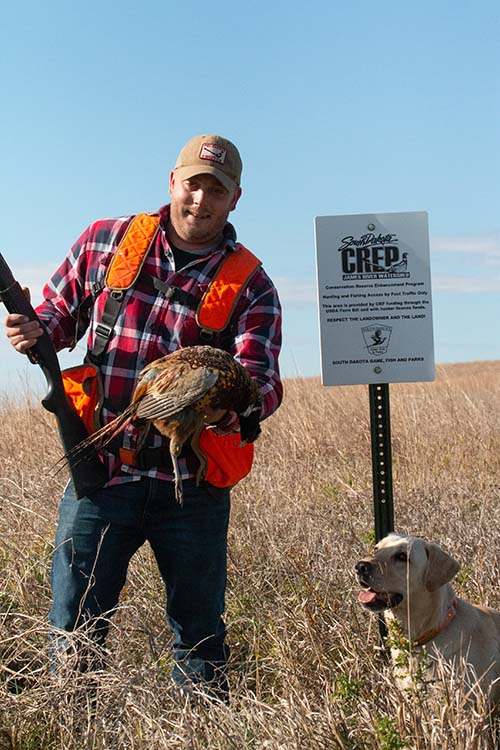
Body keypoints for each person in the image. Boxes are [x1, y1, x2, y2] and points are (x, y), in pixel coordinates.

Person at [4, 134, 282, 698]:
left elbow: (262, 381)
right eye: (194, 184)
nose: (201, 200)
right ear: (172, 182)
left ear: (235, 199)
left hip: (192, 487)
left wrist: (229, 409)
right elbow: (59, 318)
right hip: (103, 474)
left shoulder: (251, 284)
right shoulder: (107, 241)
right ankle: (71, 723)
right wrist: (35, 331)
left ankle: (200, 728)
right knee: (75, 629)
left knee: (199, 638)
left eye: (217, 190)